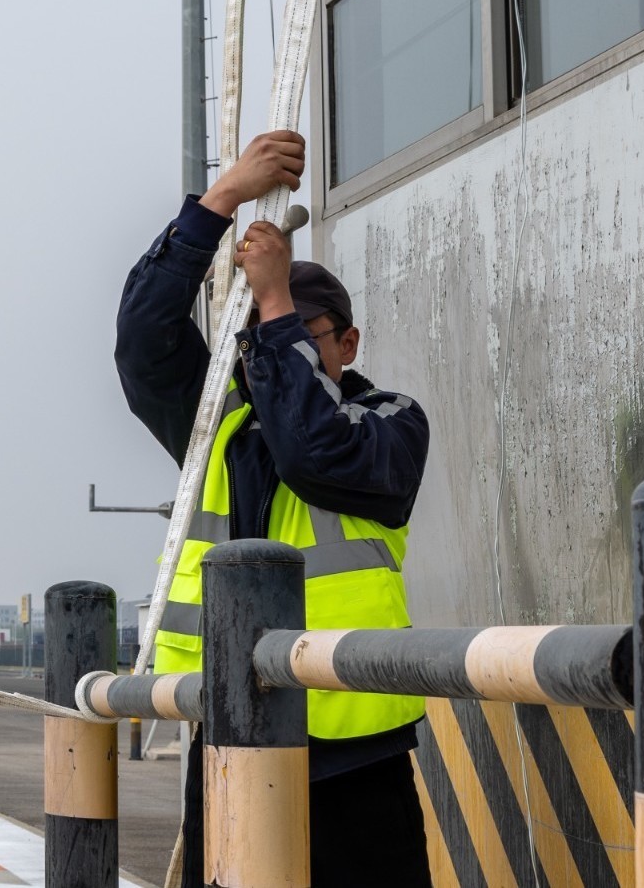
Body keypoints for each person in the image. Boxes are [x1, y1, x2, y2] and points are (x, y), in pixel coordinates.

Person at [115, 130, 432, 887]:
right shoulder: (214, 428)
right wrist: (220, 201)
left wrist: (275, 297)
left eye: (289, 333)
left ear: (347, 342)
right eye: (251, 340)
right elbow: (142, 341)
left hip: (353, 755)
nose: (263, 351)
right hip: (228, 734)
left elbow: (311, 449)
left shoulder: (390, 422)